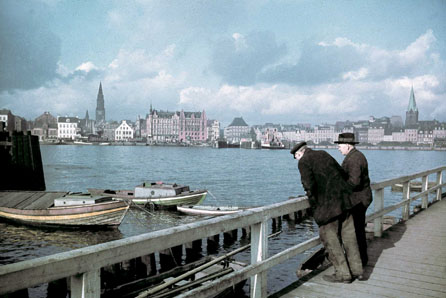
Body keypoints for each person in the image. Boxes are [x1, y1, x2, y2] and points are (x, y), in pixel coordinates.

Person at [291, 142, 363, 283]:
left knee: (331, 241)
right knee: (350, 238)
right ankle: (357, 271)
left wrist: (315, 206)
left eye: (296, 157)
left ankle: (343, 274)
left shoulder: (304, 161)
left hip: (328, 208)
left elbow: (309, 186)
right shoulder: (323, 153)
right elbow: (342, 173)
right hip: (344, 203)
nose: (297, 160)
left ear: (299, 153)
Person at [335, 132, 373, 266]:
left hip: (358, 201)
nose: (338, 148)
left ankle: (361, 262)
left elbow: (354, 182)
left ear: (347, 145)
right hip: (362, 198)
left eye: (340, 145)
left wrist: (338, 188)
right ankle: (362, 260)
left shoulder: (354, 159)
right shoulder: (356, 156)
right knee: (358, 230)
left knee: (357, 231)